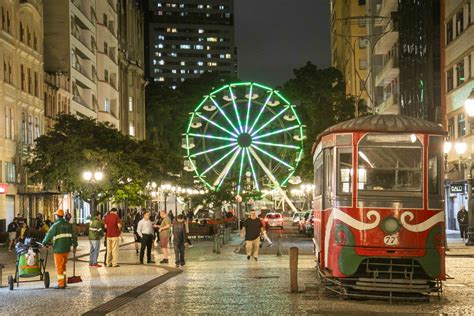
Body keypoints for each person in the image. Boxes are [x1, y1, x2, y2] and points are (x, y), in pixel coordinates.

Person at [42, 209, 78, 289]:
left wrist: (44, 243)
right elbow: (74, 236)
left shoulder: (56, 225)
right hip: (66, 249)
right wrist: (75, 245)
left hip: (58, 249)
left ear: (57, 216)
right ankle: (64, 281)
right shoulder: (68, 225)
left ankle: (61, 284)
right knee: (63, 265)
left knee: (59, 266)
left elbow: (49, 235)